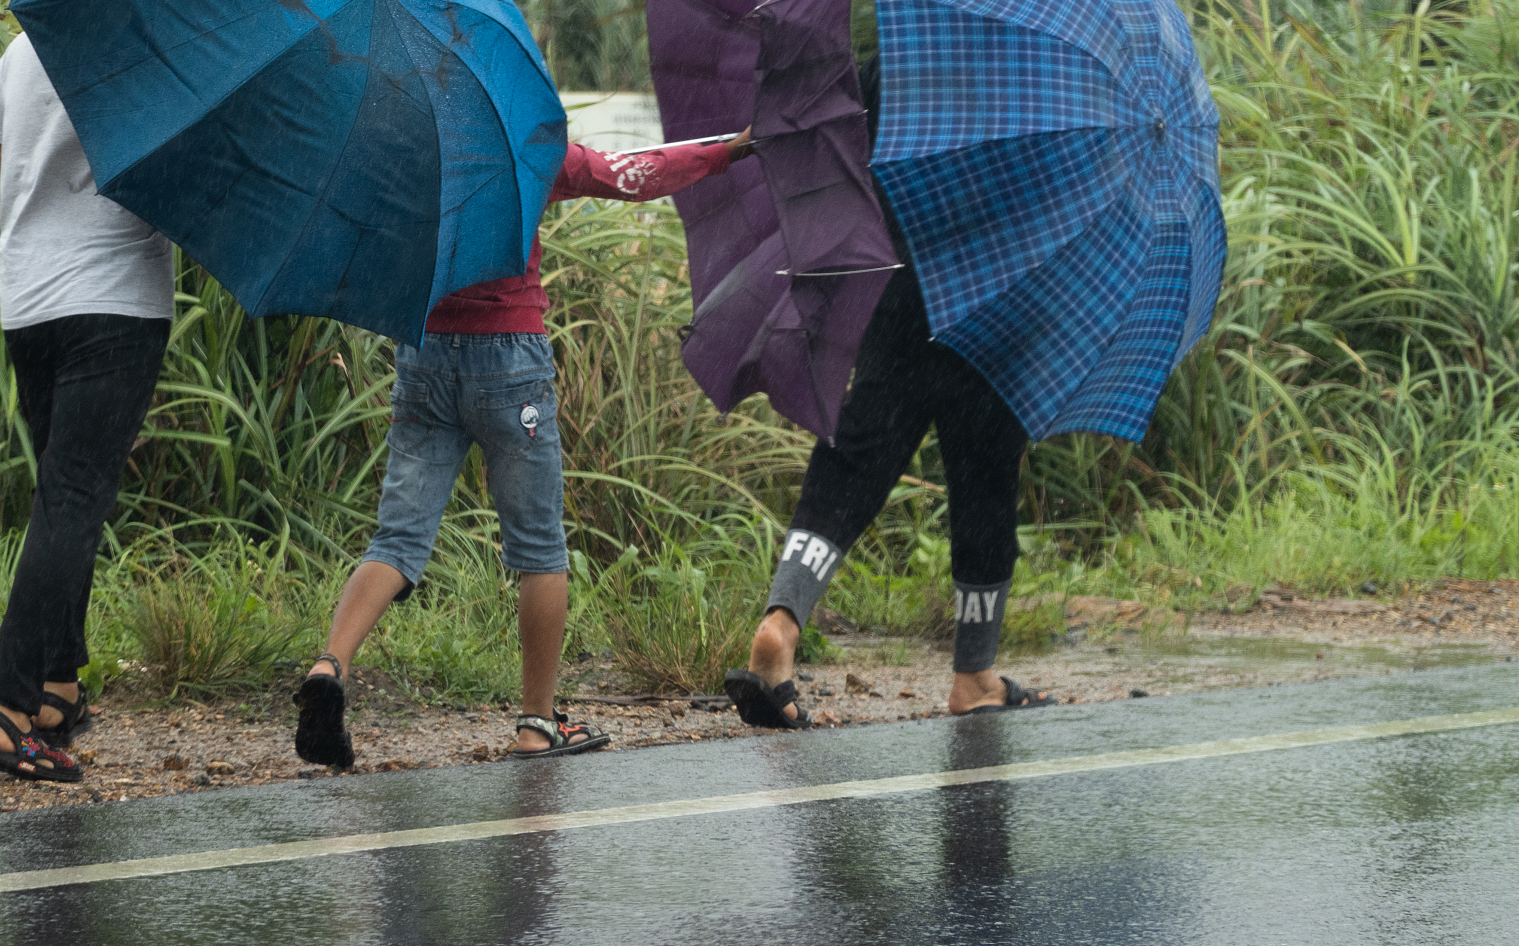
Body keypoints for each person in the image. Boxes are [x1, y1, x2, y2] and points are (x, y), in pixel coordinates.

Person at [295, 129, 753, 767]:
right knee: (539, 549)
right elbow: (634, 172)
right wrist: (730, 149)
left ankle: (329, 665)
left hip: (423, 351)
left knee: (397, 539)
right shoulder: (528, 143)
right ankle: (537, 725)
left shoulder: (408, 141)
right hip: (511, 361)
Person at [724, 58, 1052, 729]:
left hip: (895, 291)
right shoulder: (1029, 81)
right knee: (985, 485)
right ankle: (974, 673)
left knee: (852, 463)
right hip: (990, 303)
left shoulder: (901, 56)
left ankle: (782, 625)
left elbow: (825, 155)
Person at [0, 31, 176, 783]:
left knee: (62, 491)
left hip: (27, 302)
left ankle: (58, 684)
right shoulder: (149, 49)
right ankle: (10, 709)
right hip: (114, 301)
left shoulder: (21, 51)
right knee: (75, 497)